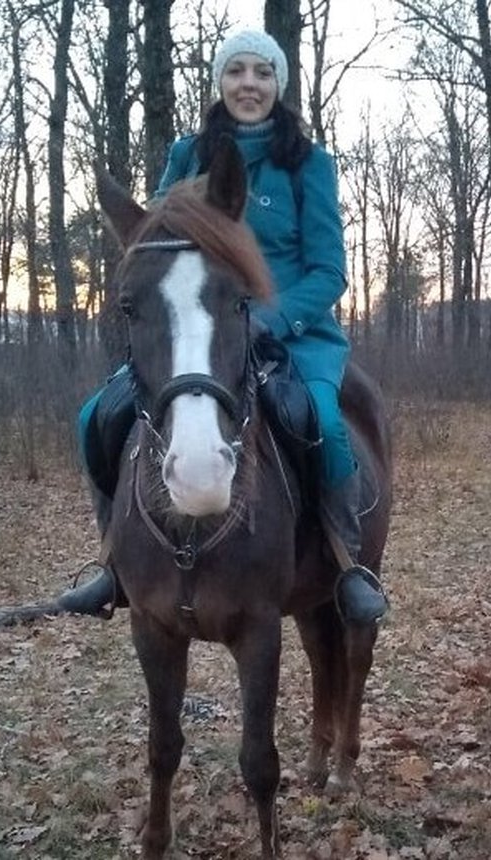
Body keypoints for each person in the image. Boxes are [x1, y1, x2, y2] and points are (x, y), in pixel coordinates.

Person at [61, 29, 389, 623]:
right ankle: (113, 562)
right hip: (200, 325)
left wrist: (272, 316)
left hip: (293, 330)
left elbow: (329, 270)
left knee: (324, 422)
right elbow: (156, 241)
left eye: (262, 73)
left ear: (278, 86)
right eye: (236, 71)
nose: (249, 84)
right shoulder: (188, 155)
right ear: (219, 80)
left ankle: (346, 565)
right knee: (96, 415)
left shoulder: (308, 165)